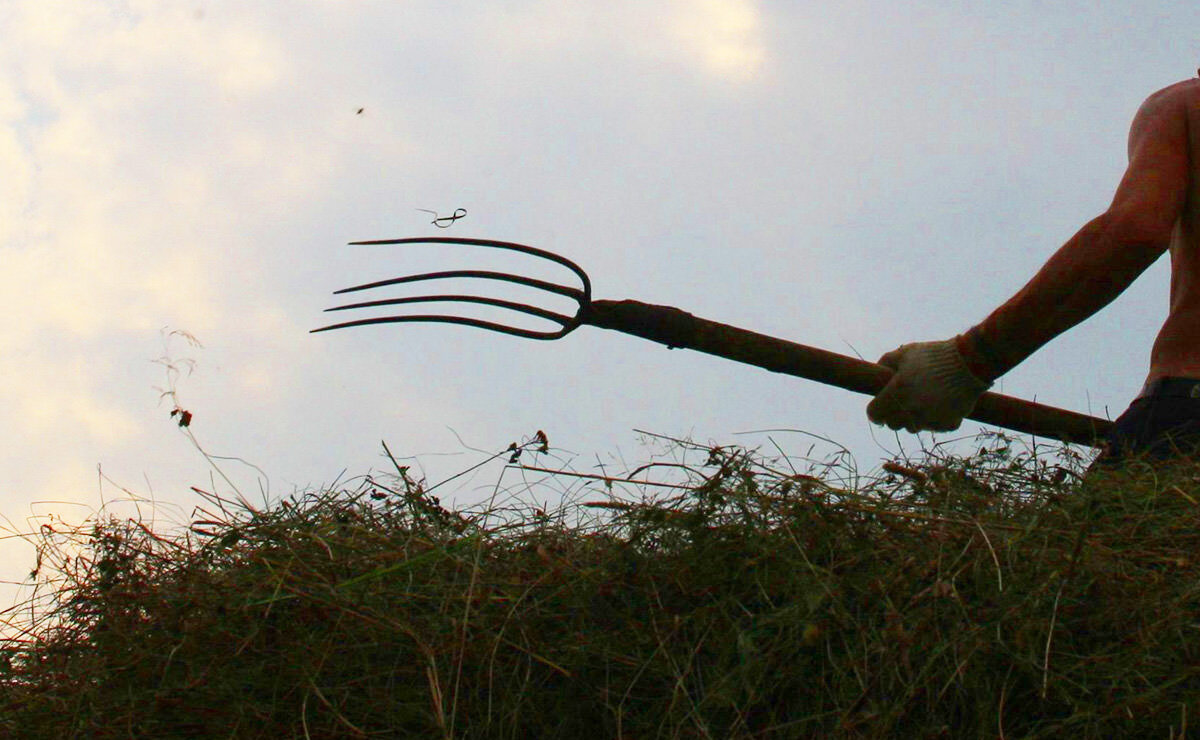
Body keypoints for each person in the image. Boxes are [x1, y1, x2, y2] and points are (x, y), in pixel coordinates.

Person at [867, 73, 1200, 467]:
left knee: (1102, 530)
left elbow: (1133, 232)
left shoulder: (1185, 105)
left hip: (1189, 408)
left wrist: (968, 360)